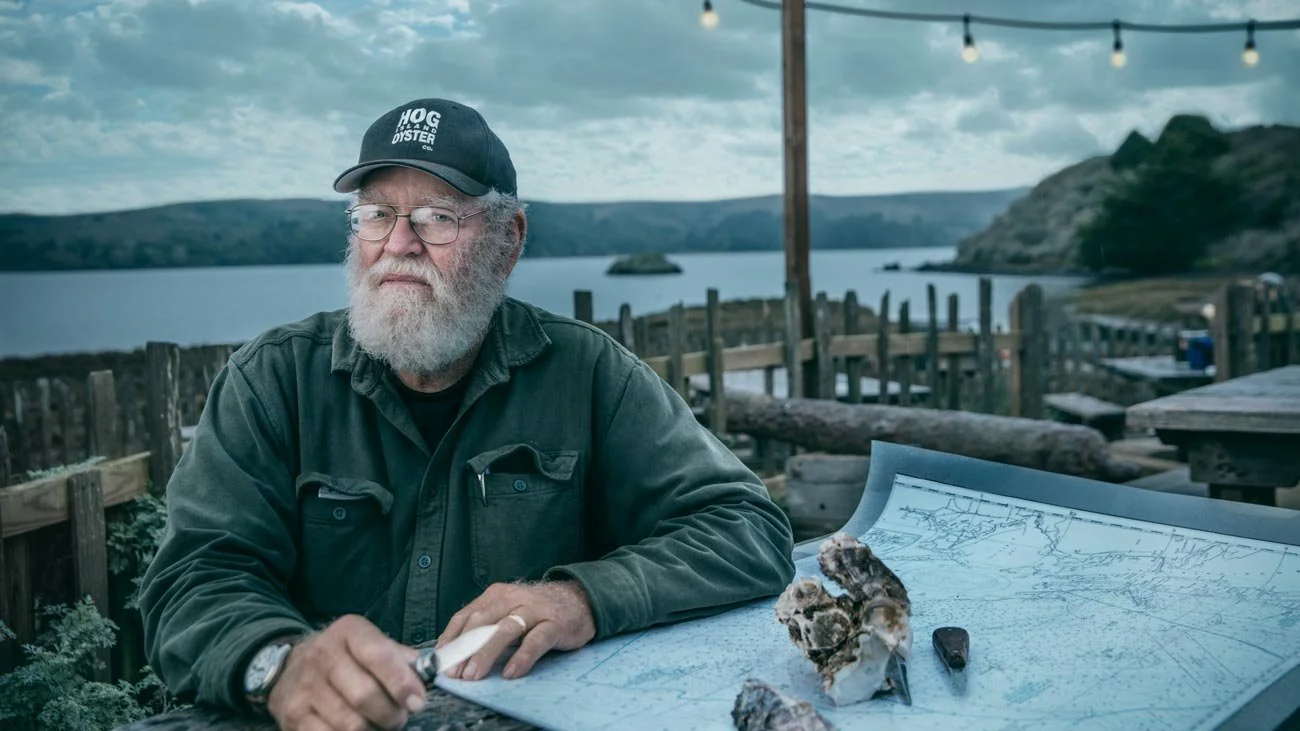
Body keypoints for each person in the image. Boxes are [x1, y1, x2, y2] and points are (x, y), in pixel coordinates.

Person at [138, 97, 796, 731]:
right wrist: (280, 663)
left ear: (508, 240)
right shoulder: (273, 380)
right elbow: (193, 580)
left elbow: (747, 527)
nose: (399, 243)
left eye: (437, 216)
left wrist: (582, 597)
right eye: (375, 214)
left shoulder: (588, 374)